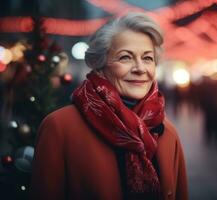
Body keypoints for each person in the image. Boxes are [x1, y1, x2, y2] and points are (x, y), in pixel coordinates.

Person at [30, 12, 188, 200]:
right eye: (125, 58)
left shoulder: (168, 133)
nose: (140, 68)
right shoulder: (59, 127)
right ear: (100, 65)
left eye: (147, 58)